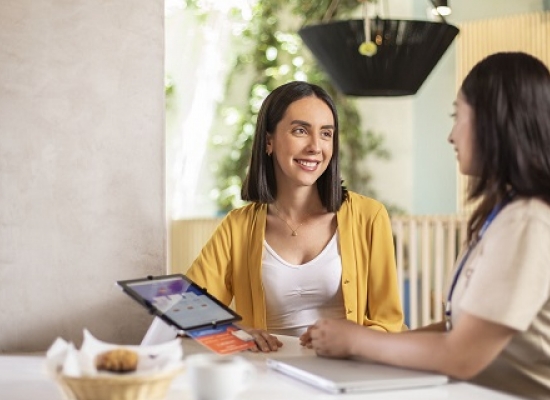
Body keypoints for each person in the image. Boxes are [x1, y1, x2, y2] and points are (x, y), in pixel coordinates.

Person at [307, 52, 550, 400]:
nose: (451, 136)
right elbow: (461, 330)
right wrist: (358, 342)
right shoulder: (506, 215)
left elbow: (461, 355)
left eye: (458, 117)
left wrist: (357, 340)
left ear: (493, 122)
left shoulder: (531, 223)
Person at [145, 81, 405, 351]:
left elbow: (389, 323)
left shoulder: (369, 216)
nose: (316, 146)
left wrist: (352, 340)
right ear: (269, 141)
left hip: (347, 374)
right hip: (266, 374)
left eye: (326, 134)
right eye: (301, 131)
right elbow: (185, 314)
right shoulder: (238, 227)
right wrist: (237, 330)